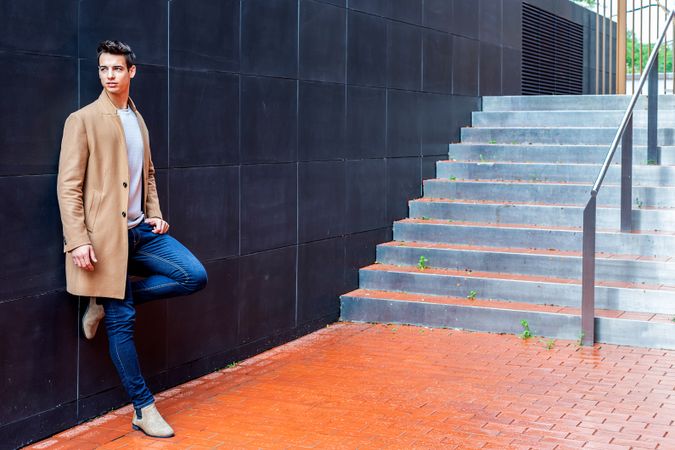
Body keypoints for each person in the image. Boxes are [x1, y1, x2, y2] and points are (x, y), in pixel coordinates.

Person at [57, 40, 207, 439]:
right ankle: (143, 408)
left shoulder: (137, 119)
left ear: (131, 72)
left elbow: (148, 174)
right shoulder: (83, 120)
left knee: (194, 276)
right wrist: (78, 241)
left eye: (117, 69)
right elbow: (68, 187)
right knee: (122, 322)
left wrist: (155, 215)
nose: (109, 75)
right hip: (105, 242)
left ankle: (106, 299)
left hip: (141, 232)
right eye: (104, 68)